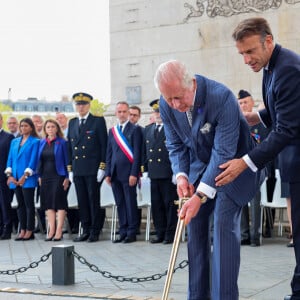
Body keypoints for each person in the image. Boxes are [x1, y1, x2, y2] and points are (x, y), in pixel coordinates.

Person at [154, 59, 263, 300]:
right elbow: (175, 144)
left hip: (234, 167)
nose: (174, 104)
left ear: (192, 84)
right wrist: (181, 176)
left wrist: (200, 194)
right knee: (196, 226)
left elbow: (223, 152)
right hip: (200, 167)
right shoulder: (166, 101)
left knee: (223, 225)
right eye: (169, 99)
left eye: (179, 97)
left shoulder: (220, 97)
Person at [215, 17, 300, 300]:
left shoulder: (288, 68)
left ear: (268, 41)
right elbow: (283, 109)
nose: (246, 60)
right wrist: (258, 115)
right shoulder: (272, 64)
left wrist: (246, 162)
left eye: (250, 51)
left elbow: (288, 128)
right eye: (241, 54)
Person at [67, 92, 107, 243]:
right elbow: (69, 148)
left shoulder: (97, 121)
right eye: (78, 104)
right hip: (78, 169)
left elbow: (104, 145)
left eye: (83, 104)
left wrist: (102, 167)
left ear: (89, 105)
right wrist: (70, 169)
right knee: (82, 201)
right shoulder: (72, 123)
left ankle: (94, 231)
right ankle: (85, 229)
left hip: (92, 168)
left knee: (93, 200)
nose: (81, 107)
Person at [237, 90, 272, 247]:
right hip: (240, 170)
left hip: (257, 169)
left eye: (246, 102)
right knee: (241, 202)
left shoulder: (260, 122)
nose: (243, 105)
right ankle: (244, 234)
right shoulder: (237, 123)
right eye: (241, 103)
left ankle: (255, 236)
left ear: (252, 103)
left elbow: (267, 145)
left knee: (255, 202)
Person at [105, 101, 143, 244]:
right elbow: (109, 153)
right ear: (116, 113)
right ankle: (123, 230)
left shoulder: (135, 130)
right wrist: (108, 172)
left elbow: (138, 154)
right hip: (115, 173)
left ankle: (131, 232)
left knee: (130, 203)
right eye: (119, 111)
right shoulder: (112, 131)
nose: (121, 114)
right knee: (120, 203)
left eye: (124, 111)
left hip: (129, 174)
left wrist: (134, 173)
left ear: (128, 113)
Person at [143, 99, 177, 244]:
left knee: (169, 204)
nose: (158, 114)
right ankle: (160, 232)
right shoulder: (148, 129)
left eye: (160, 111)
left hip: (168, 173)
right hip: (154, 173)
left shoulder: (172, 128)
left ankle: (170, 234)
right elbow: (144, 152)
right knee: (156, 204)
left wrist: (177, 171)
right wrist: (144, 170)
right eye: (156, 111)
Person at [5, 118, 39, 241]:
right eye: (21, 126)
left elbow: (33, 161)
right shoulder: (14, 142)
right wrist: (10, 175)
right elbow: (10, 159)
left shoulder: (35, 142)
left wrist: (25, 176)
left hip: (27, 178)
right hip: (15, 179)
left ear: (31, 127)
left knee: (29, 205)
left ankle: (30, 230)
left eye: (25, 126)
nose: (23, 128)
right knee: (20, 205)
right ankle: (22, 229)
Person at [37, 119, 69, 241]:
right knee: (48, 204)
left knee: (59, 203)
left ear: (57, 128)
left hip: (59, 175)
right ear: (45, 129)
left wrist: (67, 177)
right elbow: (39, 161)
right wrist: (39, 176)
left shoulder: (62, 142)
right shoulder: (42, 143)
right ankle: (51, 230)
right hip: (45, 176)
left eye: (52, 127)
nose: (50, 129)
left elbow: (67, 161)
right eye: (48, 127)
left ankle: (59, 230)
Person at [0, 114, 14, 239]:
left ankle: (7, 229)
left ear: (1, 121)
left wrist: (9, 175)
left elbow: (11, 158)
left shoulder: (8, 137)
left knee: (4, 204)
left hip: (3, 177)